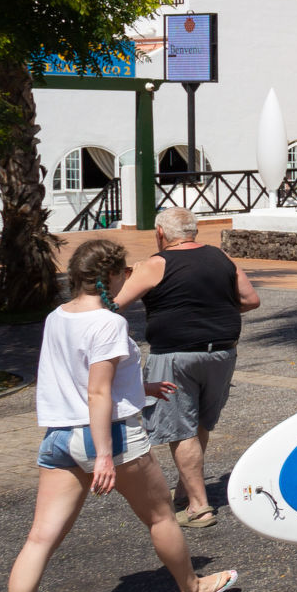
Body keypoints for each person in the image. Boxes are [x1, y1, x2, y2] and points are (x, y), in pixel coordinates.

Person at [0, 237, 237, 592]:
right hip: (110, 438)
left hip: (60, 438)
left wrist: (140, 388)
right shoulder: (106, 322)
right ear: (111, 275)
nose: (128, 276)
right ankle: (193, 587)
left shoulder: (57, 317)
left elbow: (83, 376)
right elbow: (97, 390)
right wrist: (105, 455)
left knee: (39, 540)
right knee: (162, 516)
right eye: (124, 271)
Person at [115, 207, 261, 526]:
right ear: (194, 232)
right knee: (199, 424)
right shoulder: (222, 257)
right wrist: (214, 307)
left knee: (181, 429)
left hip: (175, 356)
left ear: (161, 234)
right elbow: (250, 300)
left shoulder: (156, 264)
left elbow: (116, 305)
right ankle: (185, 489)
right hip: (221, 353)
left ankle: (198, 505)